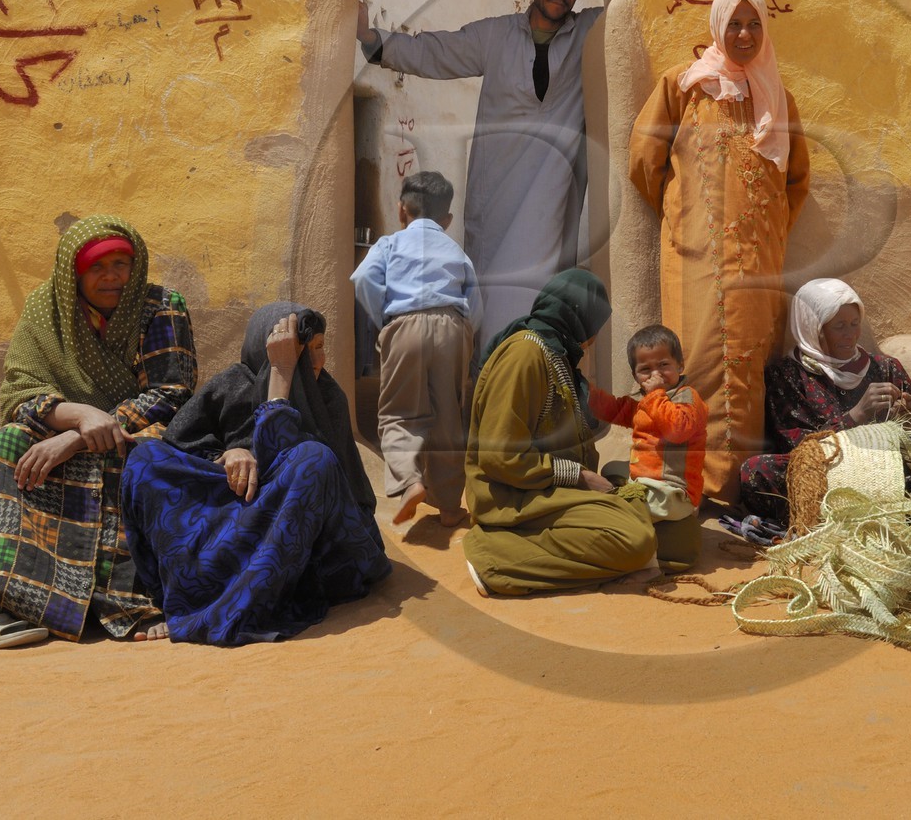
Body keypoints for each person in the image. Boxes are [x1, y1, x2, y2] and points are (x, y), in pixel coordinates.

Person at [0, 216, 197, 648]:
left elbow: (172, 391)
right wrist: (77, 415)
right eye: (97, 267)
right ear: (74, 273)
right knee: (9, 442)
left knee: (136, 453)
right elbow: (19, 392)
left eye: (121, 263)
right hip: (68, 422)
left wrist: (82, 434)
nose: (112, 276)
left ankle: (128, 604)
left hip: (138, 428)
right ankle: (16, 602)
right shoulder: (47, 310)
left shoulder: (161, 306)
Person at [356, 0, 603, 350]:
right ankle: (494, 384)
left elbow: (630, 0)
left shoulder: (588, 33)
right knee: (494, 296)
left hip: (552, 193)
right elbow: (437, 51)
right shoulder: (496, 36)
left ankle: (535, 382)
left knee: (541, 296)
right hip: (498, 192)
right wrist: (373, 42)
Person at [629, 0, 811, 503]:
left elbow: (796, 181)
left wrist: (768, 231)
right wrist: (681, 214)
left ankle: (739, 487)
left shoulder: (778, 98)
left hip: (756, 264)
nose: (745, 34)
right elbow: (645, 159)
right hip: (695, 258)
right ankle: (692, 485)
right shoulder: (683, 87)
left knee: (750, 369)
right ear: (718, 27)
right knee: (696, 362)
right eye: (735, 24)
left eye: (754, 25)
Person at [121, 305, 393, 645]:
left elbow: (297, 470)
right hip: (232, 519)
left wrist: (280, 375)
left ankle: (241, 607)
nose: (315, 361)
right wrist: (226, 453)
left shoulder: (327, 397)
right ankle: (181, 599)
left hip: (300, 542)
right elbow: (181, 445)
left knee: (314, 459)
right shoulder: (231, 384)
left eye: (320, 346)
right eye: (300, 351)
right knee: (145, 457)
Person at [463, 269, 657, 596]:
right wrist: (578, 476)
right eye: (595, 325)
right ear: (578, 318)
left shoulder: (555, 353)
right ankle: (495, 557)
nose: (594, 337)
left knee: (670, 531)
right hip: (513, 495)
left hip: (547, 488)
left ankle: (617, 551)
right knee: (635, 541)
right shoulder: (524, 355)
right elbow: (500, 456)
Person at [737, 278, 911, 531]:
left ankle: (865, 514)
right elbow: (797, 447)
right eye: (839, 326)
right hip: (826, 478)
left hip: (886, 473)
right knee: (756, 472)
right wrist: (855, 415)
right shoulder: (787, 376)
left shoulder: (886, 367)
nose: (850, 335)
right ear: (813, 328)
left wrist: (907, 416)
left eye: (854, 324)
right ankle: (864, 515)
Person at [351, 171, 480, 527]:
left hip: (404, 324)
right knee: (449, 418)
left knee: (399, 414)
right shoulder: (456, 251)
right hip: (453, 327)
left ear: (401, 210)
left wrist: (387, 321)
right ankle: (451, 507)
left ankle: (409, 481)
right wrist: (463, 335)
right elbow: (475, 302)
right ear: (447, 219)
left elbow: (363, 279)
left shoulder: (390, 244)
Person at [589, 324, 707, 572]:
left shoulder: (686, 397)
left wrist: (655, 395)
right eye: (645, 369)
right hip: (649, 482)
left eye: (664, 365)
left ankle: (648, 560)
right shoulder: (647, 401)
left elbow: (678, 429)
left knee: (607, 507)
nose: (656, 374)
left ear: (680, 366)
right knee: (612, 467)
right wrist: (586, 395)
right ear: (635, 376)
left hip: (672, 490)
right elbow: (615, 409)